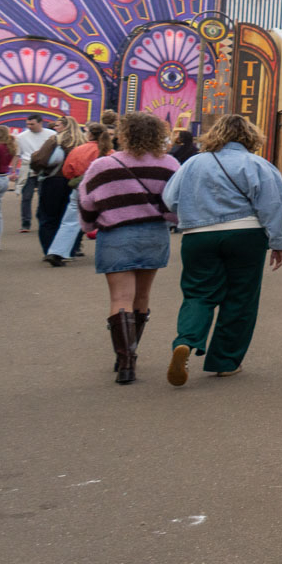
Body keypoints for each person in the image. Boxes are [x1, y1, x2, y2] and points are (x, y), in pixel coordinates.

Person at [160, 114, 282, 383]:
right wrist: (277, 242)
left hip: (198, 235)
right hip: (246, 233)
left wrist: (192, 214)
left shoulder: (193, 163)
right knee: (241, 298)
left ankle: (186, 340)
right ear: (250, 136)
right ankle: (225, 361)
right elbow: (273, 205)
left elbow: (170, 198)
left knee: (198, 293)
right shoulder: (258, 164)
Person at [76, 112, 179, 385]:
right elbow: (176, 203)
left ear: (124, 134)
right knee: (142, 296)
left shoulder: (103, 165)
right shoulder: (169, 164)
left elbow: (86, 202)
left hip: (116, 235)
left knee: (120, 298)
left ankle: (125, 362)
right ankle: (131, 351)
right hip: (154, 235)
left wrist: (88, 226)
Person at [44, 122, 111, 265]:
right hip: (102, 189)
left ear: (89, 134)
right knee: (108, 220)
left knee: (69, 221)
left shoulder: (78, 150)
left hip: (80, 187)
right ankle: (110, 252)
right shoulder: (109, 152)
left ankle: (57, 252)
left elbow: (67, 171)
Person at [33, 119, 82, 254]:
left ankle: (50, 250)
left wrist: (34, 161)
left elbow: (41, 160)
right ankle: (71, 249)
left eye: (57, 125)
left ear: (65, 126)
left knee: (48, 217)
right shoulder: (82, 142)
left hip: (54, 181)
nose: (55, 127)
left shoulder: (55, 140)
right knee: (71, 218)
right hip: (76, 182)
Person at [14, 114, 56, 233]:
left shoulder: (51, 135)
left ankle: (42, 220)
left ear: (40, 123)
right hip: (28, 168)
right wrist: (13, 171)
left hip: (45, 168)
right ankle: (25, 223)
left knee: (44, 197)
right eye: (28, 124)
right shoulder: (21, 137)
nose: (29, 126)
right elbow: (17, 154)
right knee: (26, 197)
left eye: (32, 124)